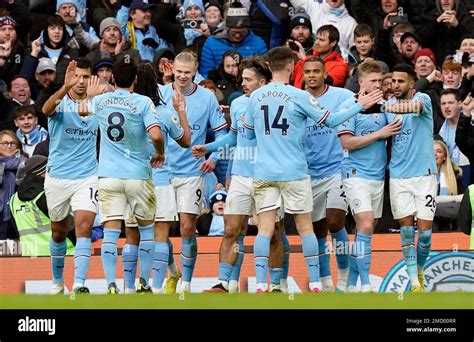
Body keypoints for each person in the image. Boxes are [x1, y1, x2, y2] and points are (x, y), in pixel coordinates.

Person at [244, 47, 382, 293]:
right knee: (306, 227)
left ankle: (261, 283)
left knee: (264, 229)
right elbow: (329, 120)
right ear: (290, 67)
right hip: (295, 171)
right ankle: (316, 283)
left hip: (264, 172)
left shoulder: (255, 96)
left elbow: (248, 132)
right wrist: (359, 105)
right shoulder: (298, 96)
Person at [193, 56, 281, 293]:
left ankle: (273, 284)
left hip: (269, 176)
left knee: (273, 233)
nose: (243, 83)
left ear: (263, 82)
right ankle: (223, 282)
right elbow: (234, 137)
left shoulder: (278, 104)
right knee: (232, 229)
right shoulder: (239, 103)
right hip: (241, 175)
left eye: (248, 79)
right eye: (242, 78)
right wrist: (209, 149)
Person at [82, 59, 165, 294]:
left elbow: (81, 111)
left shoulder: (100, 100)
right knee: (147, 230)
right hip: (138, 174)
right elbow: (157, 135)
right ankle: (144, 283)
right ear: (135, 80)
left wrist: (89, 95)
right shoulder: (143, 101)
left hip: (108, 175)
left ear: (113, 79)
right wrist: (160, 151)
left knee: (110, 230)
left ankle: (110, 283)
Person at [158, 51, 227, 293]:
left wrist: (214, 156)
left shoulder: (207, 98)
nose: (183, 76)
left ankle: (186, 283)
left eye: (187, 72)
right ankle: (172, 271)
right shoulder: (160, 94)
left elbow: (222, 133)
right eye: (178, 72)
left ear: (196, 69)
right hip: (162, 172)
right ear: (172, 69)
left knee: (188, 227)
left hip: (191, 171)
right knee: (161, 230)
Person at [121, 61, 190, 294]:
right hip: (160, 180)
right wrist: (181, 110)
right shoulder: (164, 113)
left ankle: (130, 288)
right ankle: (157, 288)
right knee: (161, 235)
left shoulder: (123, 111)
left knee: (132, 236)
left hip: (132, 181)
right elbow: (186, 141)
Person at [337, 60, 401, 292]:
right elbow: (347, 143)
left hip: (377, 176)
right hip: (354, 174)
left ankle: (349, 286)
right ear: (361, 81)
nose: (377, 85)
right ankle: (366, 285)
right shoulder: (350, 106)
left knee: (366, 231)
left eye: (379, 81)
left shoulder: (385, 107)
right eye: (373, 81)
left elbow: (399, 127)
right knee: (364, 224)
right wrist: (379, 134)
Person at [41, 59, 98, 294]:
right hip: (58, 177)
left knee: (84, 226)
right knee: (59, 231)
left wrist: (96, 101)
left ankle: (80, 284)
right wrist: (64, 88)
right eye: (77, 76)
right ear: (70, 77)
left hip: (88, 176)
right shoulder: (60, 102)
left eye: (86, 77)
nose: (81, 81)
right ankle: (57, 282)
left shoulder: (99, 102)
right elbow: (45, 110)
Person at [302, 57, 355, 292]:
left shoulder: (342, 96)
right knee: (318, 231)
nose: (311, 75)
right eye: (307, 72)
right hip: (309, 173)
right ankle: (324, 284)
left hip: (338, 168)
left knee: (335, 222)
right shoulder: (297, 100)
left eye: (316, 71)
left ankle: (343, 278)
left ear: (325, 74)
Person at [384, 64, 438, 293]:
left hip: (424, 175)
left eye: (400, 81)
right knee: (407, 231)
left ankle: (419, 268)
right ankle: (415, 283)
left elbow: (413, 107)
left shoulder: (423, 99)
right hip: (398, 176)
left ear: (411, 84)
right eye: (393, 81)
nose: (395, 85)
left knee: (424, 235)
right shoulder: (387, 107)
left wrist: (384, 104)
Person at [9, 155, 75, 257]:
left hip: (30, 257)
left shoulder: (13, 199)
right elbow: (68, 227)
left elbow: (16, 230)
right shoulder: (48, 195)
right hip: (63, 256)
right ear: (43, 172)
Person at [0, 130, 27, 240]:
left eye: (12, 143)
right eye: (5, 143)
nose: (9, 146)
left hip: (20, 217)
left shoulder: (26, 164)